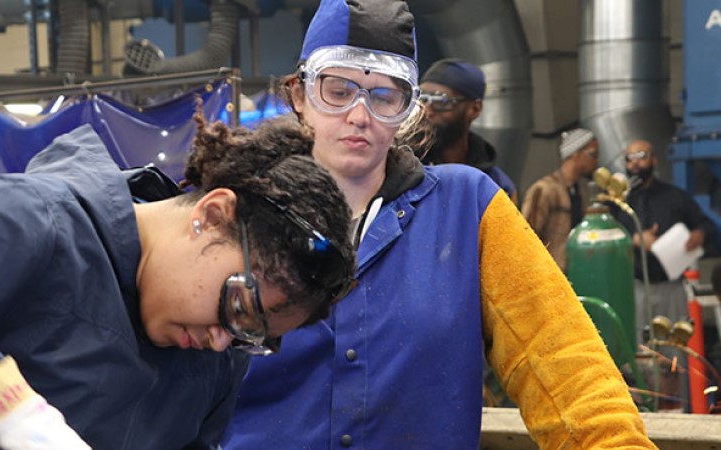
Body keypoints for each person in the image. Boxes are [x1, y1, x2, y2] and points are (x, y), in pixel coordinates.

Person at [0, 116, 358, 449]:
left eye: (256, 336)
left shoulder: (213, 359)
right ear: (214, 213)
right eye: (240, 308)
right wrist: (14, 414)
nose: (227, 341)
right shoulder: (36, 223)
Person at [221, 0, 654, 448]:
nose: (358, 115)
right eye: (338, 90)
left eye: (385, 96)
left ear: (408, 109)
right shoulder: (236, 211)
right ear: (299, 94)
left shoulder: (469, 208)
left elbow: (567, 370)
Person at [612, 139, 714, 342]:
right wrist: (635, 239)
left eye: (641, 156)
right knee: (642, 350)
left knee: (675, 347)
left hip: (672, 287)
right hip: (636, 287)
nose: (635, 163)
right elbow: (606, 237)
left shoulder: (675, 196)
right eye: (629, 158)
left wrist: (699, 234)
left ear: (654, 160)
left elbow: (706, 225)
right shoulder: (618, 202)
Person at [418, 58, 518, 202]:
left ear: (474, 109)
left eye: (441, 101)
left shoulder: (497, 187)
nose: (427, 111)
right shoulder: (402, 171)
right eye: (422, 99)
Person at [521, 127, 600, 271]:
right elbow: (525, 238)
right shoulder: (545, 189)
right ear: (576, 154)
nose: (596, 160)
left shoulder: (579, 191)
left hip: (574, 274)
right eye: (593, 154)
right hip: (549, 277)